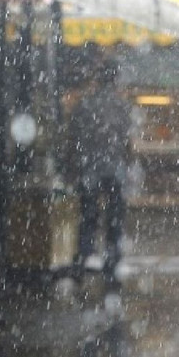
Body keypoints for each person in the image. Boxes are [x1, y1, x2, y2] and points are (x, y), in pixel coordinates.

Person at [68, 57, 132, 276]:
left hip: (90, 167)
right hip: (114, 166)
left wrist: (75, 164)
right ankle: (112, 258)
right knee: (114, 216)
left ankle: (84, 255)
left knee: (88, 214)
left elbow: (73, 137)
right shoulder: (121, 106)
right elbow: (126, 141)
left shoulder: (84, 105)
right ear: (115, 80)